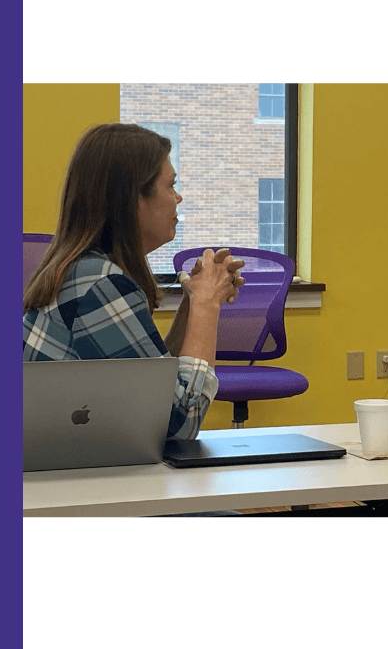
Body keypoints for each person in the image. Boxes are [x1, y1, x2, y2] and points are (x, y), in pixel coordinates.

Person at [23, 123, 244, 438]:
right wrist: (207, 304)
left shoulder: (84, 270)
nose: (178, 198)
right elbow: (178, 423)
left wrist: (193, 301)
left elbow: (149, 383)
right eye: (171, 186)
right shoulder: (100, 284)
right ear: (132, 199)